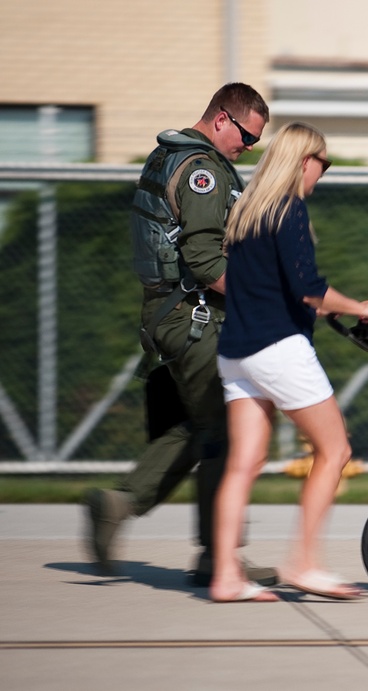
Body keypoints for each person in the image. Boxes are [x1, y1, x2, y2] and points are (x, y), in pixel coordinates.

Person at [84, 83, 277, 587]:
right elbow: (205, 260)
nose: (249, 148)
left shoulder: (167, 155)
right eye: (246, 137)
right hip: (194, 318)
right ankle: (219, 558)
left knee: (200, 426)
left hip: (172, 313)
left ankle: (120, 503)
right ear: (221, 119)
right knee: (230, 433)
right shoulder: (202, 171)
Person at [209, 122, 368, 603]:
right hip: (277, 349)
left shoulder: (248, 211)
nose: (323, 172)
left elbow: (268, 285)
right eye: (322, 162)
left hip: (236, 354)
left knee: (243, 465)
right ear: (303, 160)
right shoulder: (288, 211)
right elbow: (309, 288)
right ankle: (303, 563)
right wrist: (361, 309)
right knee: (335, 452)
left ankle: (225, 576)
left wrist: (328, 305)